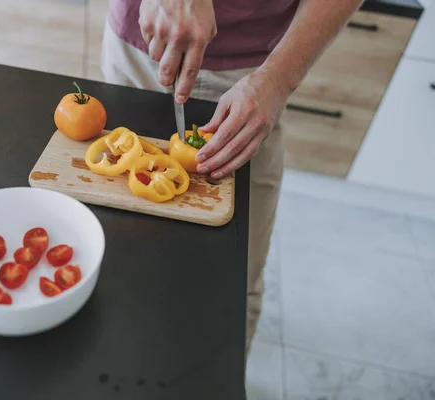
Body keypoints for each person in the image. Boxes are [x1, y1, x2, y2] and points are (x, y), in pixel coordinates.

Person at [100, 0, 363, 355]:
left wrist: (279, 80)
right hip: (139, 44)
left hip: (254, 75)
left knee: (234, 280)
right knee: (117, 256)